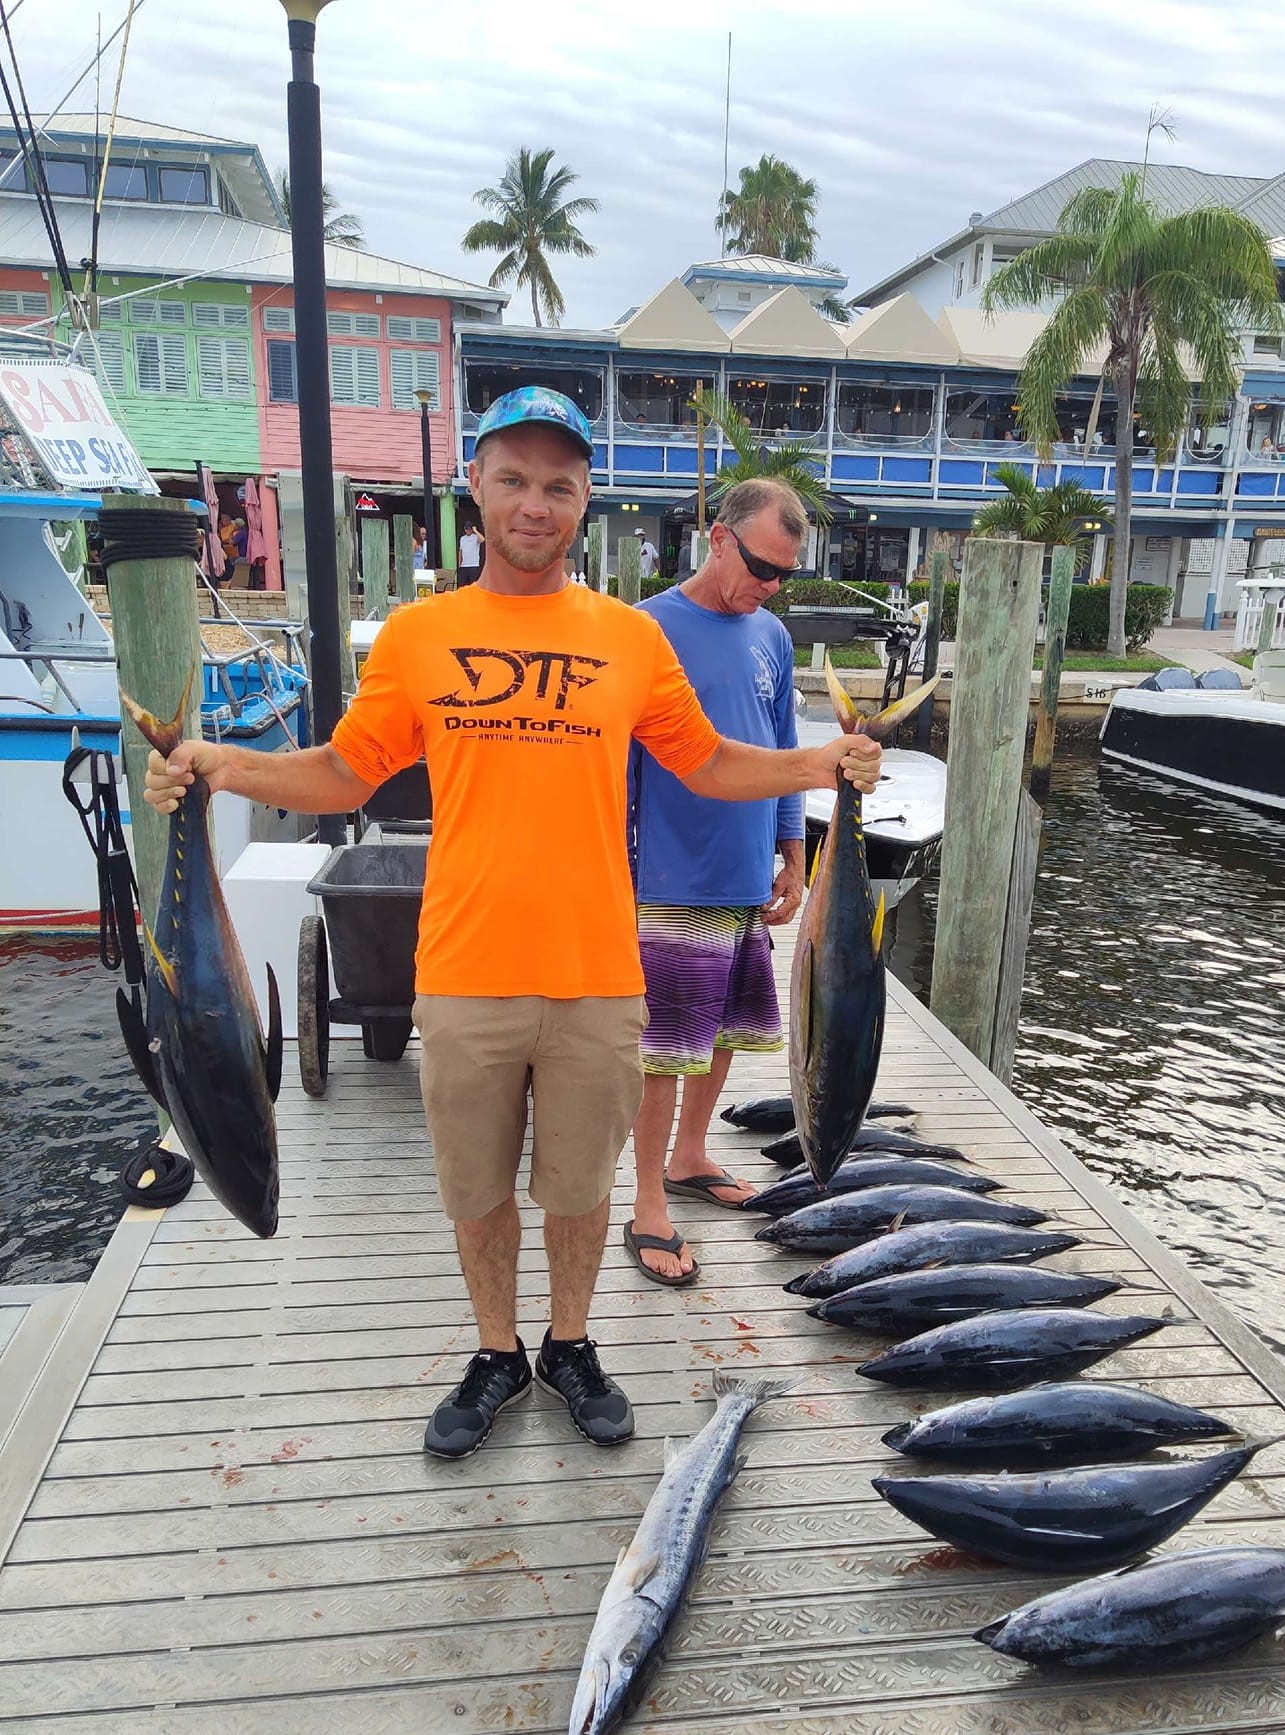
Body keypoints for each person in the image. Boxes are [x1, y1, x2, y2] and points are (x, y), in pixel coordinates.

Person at [141, 385, 881, 1463]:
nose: (537, 504)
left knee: (580, 1194)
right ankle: (497, 1351)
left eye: (561, 485)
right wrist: (219, 762)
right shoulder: (421, 633)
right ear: (476, 488)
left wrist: (819, 764)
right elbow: (343, 768)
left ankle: (570, 1343)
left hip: (595, 975)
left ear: (585, 502)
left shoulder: (629, 640)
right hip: (466, 970)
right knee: (478, 1192)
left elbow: (709, 761)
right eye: (516, 480)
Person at [625, 479, 807, 1284]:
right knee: (664, 1052)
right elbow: (618, 767)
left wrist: (794, 850)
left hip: (744, 877)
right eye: (763, 566)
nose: (770, 586)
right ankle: (645, 1203)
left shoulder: (771, 634)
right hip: (669, 875)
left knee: (726, 1034)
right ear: (718, 538)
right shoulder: (645, 629)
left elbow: (785, 744)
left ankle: (692, 1155)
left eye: (785, 575)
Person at [457, 521, 484, 587]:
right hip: (464, 566)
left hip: (474, 565)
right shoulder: (462, 538)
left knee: (474, 585)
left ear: (471, 529)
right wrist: (459, 562)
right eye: (466, 529)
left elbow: (482, 539)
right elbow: (460, 551)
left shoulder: (475, 537)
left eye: (469, 529)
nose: (467, 530)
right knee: (463, 586)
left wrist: (475, 531)